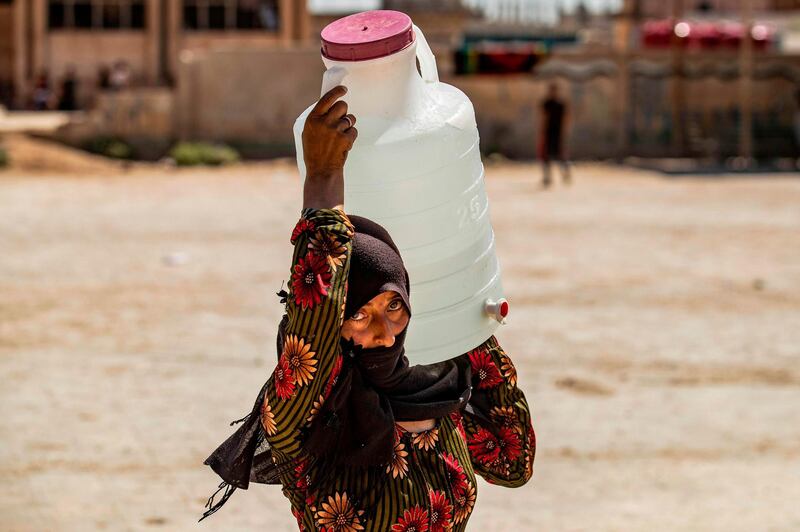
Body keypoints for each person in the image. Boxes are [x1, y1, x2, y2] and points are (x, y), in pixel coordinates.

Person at [203, 86, 535, 531]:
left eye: (394, 305)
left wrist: (466, 314)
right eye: (358, 314)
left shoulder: (433, 395)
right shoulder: (306, 413)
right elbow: (315, 313)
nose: (384, 332)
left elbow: (514, 462)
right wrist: (322, 179)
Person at [539, 82, 571, 187]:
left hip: (557, 133)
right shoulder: (547, 103)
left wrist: (564, 132)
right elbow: (544, 118)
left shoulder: (560, 104)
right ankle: (547, 177)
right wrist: (542, 132)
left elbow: (566, 119)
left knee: (561, 155)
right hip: (549, 132)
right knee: (546, 156)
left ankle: (566, 174)